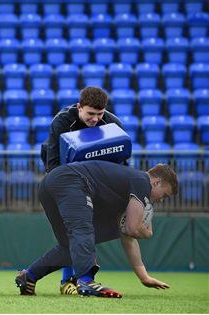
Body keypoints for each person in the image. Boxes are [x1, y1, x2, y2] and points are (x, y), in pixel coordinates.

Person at [15, 161, 177, 298]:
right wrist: (147, 232)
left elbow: (128, 237)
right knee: (83, 230)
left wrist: (144, 277)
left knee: (69, 246)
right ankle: (86, 281)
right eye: (164, 195)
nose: (161, 200)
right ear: (156, 182)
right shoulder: (143, 181)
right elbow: (132, 228)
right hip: (72, 180)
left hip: (51, 184)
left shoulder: (128, 191)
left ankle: (29, 276)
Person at [40, 86, 126, 294]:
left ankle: (72, 279)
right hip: (63, 173)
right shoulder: (62, 122)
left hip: (95, 178)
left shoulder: (114, 125)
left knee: (85, 229)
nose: (95, 119)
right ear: (79, 107)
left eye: (99, 114)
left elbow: (121, 165)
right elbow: (53, 164)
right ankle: (68, 280)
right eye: (90, 114)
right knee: (74, 228)